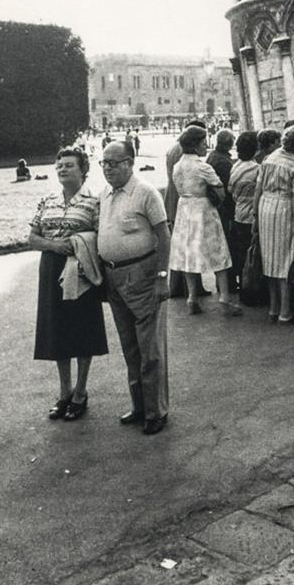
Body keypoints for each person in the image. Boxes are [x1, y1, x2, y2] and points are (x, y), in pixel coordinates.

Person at [28, 146, 107, 421]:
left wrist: (77, 244)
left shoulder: (93, 202)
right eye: (59, 165)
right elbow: (32, 238)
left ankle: (81, 392)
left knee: (82, 328)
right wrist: (54, 245)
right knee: (57, 328)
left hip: (80, 269)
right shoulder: (47, 200)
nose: (62, 169)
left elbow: (100, 237)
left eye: (69, 165)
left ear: (83, 170)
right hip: (51, 268)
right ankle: (65, 391)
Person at [98, 140, 170, 435]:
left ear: (129, 163)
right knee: (130, 347)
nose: (107, 168)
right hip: (114, 278)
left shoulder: (146, 192)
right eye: (104, 163)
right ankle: (139, 406)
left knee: (149, 349)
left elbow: (164, 235)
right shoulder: (105, 194)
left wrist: (162, 276)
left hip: (143, 275)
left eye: (113, 163)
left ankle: (156, 412)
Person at [170, 126, 241, 316]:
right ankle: (224, 298)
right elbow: (220, 191)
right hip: (203, 209)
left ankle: (192, 297)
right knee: (218, 251)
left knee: (189, 252)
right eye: (203, 143)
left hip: (184, 208)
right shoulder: (203, 167)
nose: (205, 146)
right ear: (195, 145)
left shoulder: (177, 166)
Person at [254, 126, 294, 325]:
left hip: (265, 207)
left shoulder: (269, 159)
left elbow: (258, 189)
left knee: (269, 259)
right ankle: (285, 311)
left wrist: (255, 215)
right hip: (284, 209)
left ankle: (273, 308)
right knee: (286, 260)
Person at [164, 120, 209, 300]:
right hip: (181, 199)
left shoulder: (173, 148)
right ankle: (190, 288)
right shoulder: (182, 151)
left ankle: (180, 287)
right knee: (189, 245)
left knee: (181, 245)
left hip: (174, 197)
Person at [226, 131, 260, 293]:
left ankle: (243, 284)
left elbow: (230, 190)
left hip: (238, 212)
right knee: (252, 253)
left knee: (241, 251)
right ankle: (252, 287)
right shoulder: (257, 168)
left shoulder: (236, 166)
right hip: (252, 215)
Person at [207, 129, 236, 290]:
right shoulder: (223, 161)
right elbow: (227, 187)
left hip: (218, 207)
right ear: (229, 143)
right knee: (228, 244)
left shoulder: (213, 156)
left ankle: (224, 282)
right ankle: (228, 282)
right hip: (225, 208)